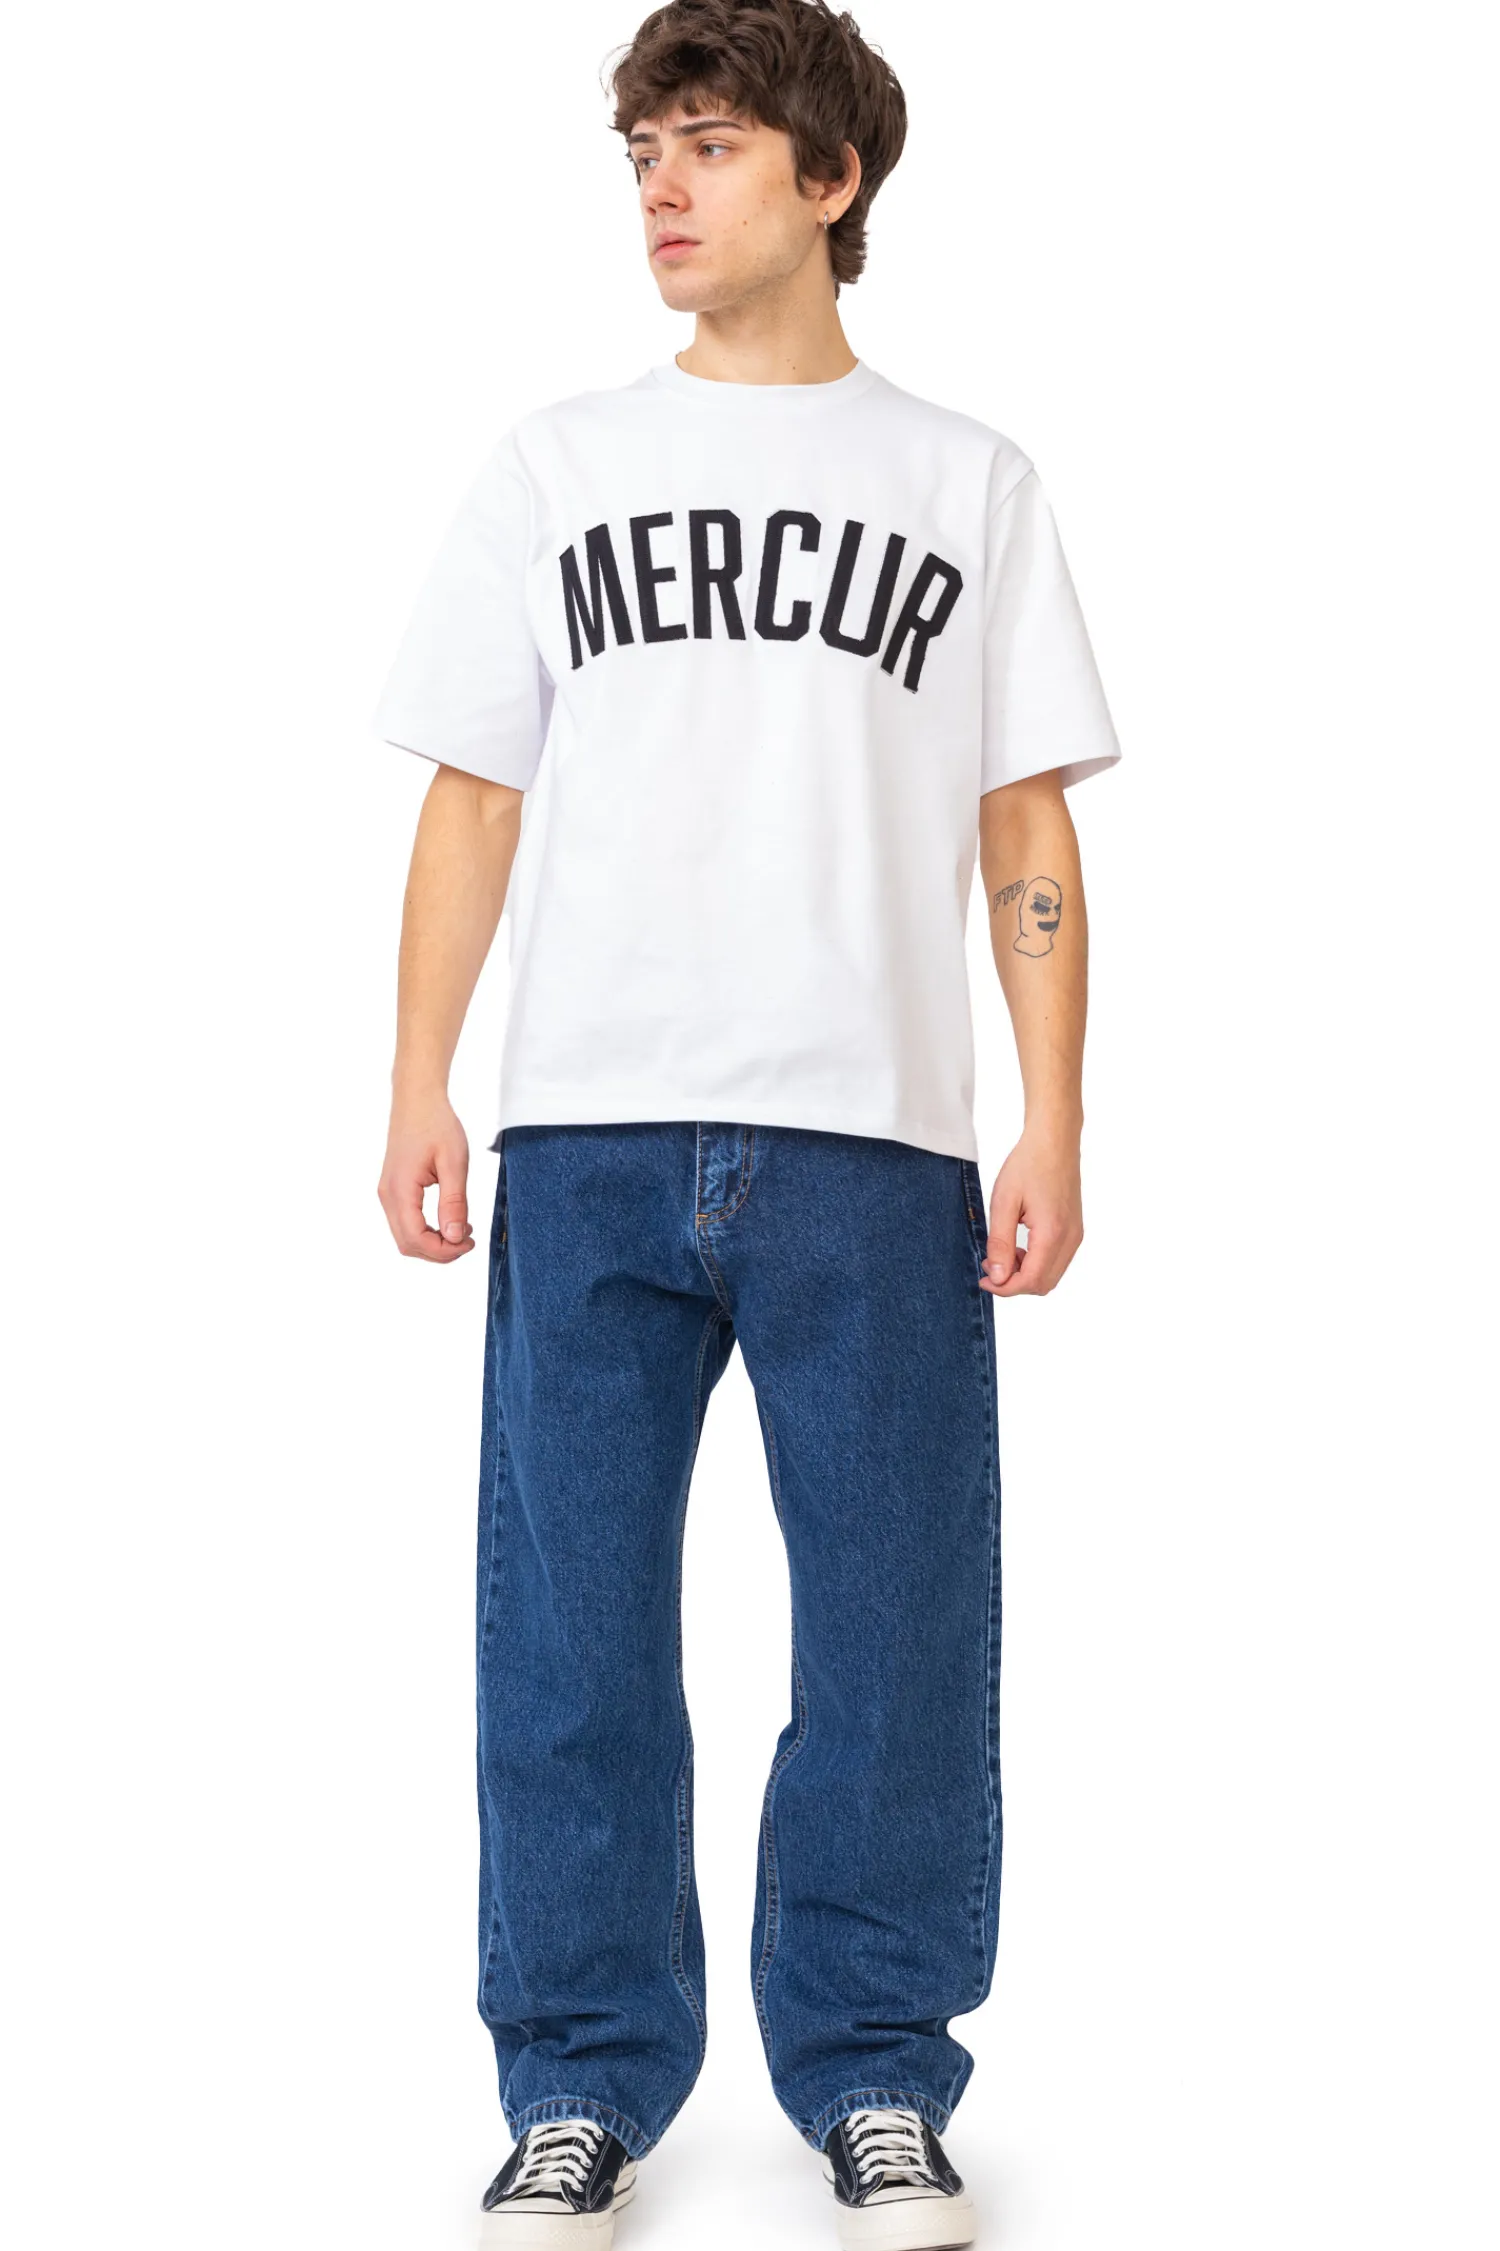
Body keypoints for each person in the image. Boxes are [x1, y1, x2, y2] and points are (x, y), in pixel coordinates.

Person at [372, 3, 1121, 2241]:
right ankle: (579, 2080)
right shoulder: (556, 464)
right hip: (586, 1129)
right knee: (569, 1640)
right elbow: (473, 795)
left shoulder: (969, 483)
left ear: (832, 177)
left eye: (707, 144)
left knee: (898, 1635)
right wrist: (417, 1080)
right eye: (643, 153)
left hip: (875, 1141)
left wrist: (1056, 1115)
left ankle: (876, 2070)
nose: (662, 190)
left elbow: (1027, 823)